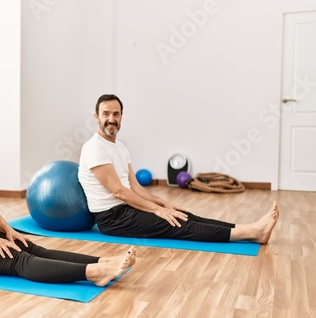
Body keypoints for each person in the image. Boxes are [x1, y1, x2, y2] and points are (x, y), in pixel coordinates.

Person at [0, 91, 136, 286]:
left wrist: (8, 231)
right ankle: (95, 274)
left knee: (30, 247)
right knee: (17, 260)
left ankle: (103, 261)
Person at [78, 94, 279, 244]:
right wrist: (158, 210)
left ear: (121, 116)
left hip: (127, 208)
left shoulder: (119, 147)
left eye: (116, 114)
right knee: (176, 224)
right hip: (112, 218)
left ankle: (251, 229)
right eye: (106, 114)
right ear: (96, 116)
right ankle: (253, 233)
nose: (111, 119)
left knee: (184, 215)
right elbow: (119, 191)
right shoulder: (94, 148)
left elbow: (134, 186)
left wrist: (165, 203)